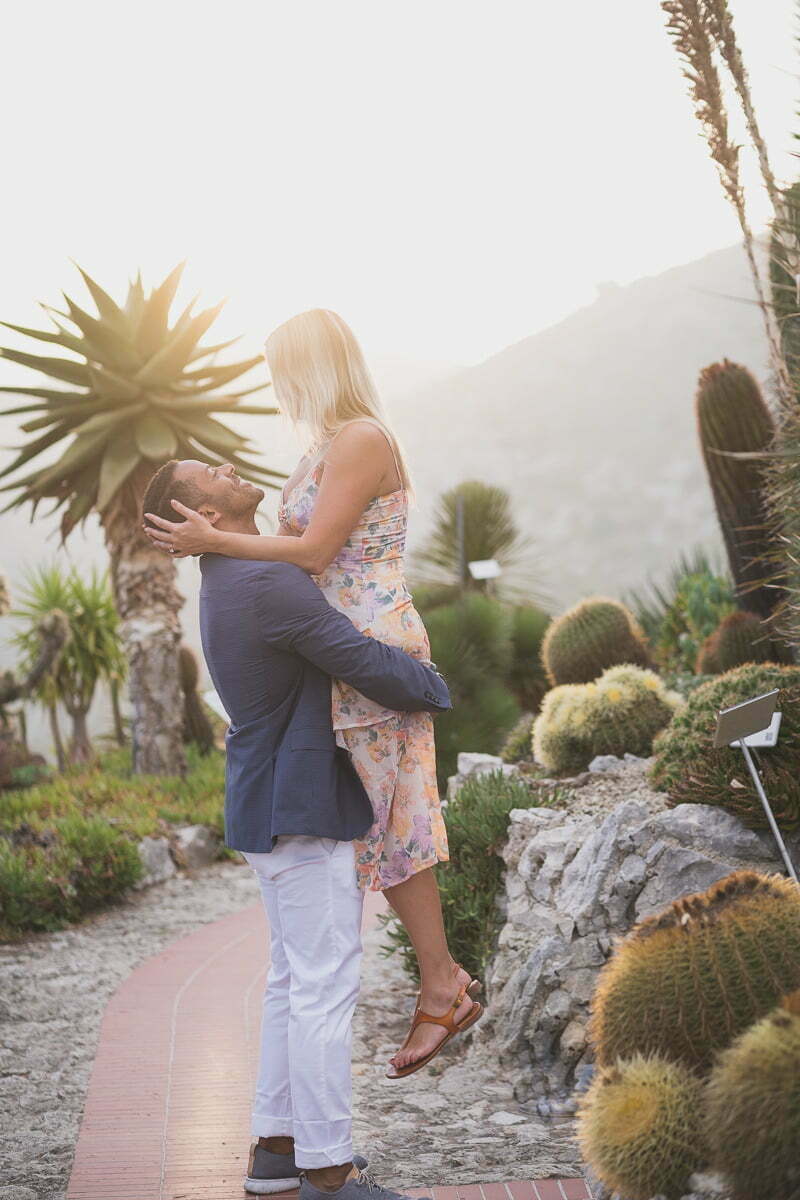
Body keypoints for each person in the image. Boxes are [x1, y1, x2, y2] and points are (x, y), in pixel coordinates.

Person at [144, 310, 482, 1079]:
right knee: (381, 825)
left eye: (283, 372)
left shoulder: (359, 439)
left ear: (313, 368)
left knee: (379, 827)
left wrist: (216, 541)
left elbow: (315, 550)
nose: (278, 388)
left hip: (366, 646)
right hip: (334, 651)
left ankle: (431, 986)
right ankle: (437, 983)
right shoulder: (327, 446)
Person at [142, 458, 451, 1199]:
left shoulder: (231, 577)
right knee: (324, 986)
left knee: (293, 981)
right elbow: (359, 658)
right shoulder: (263, 582)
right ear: (203, 516)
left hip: (269, 805)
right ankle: (329, 1171)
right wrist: (434, 686)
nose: (227, 466)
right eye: (208, 472)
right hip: (301, 806)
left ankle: (277, 1151)